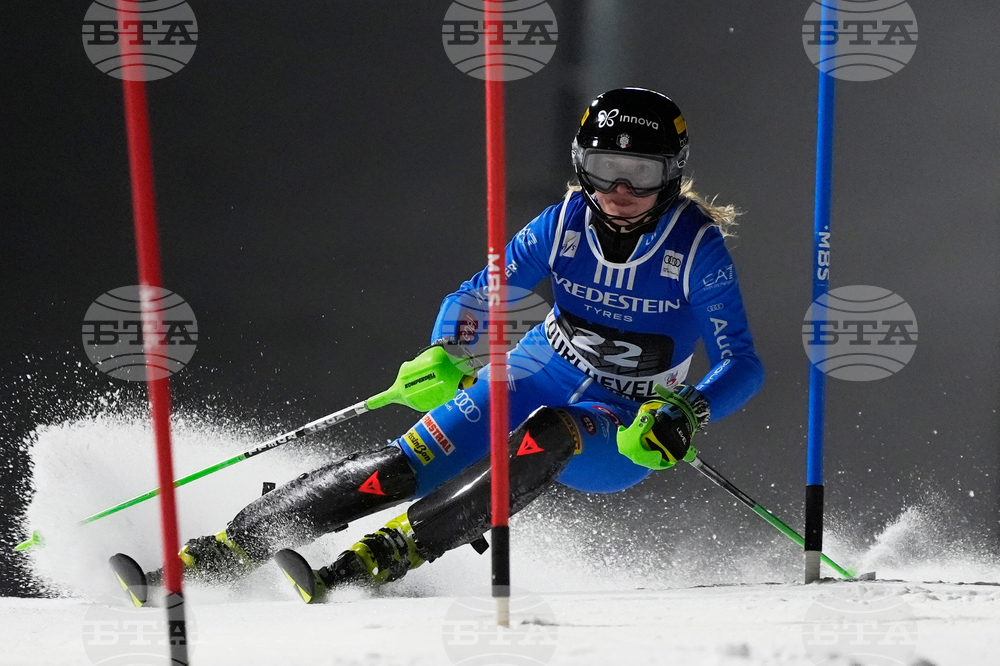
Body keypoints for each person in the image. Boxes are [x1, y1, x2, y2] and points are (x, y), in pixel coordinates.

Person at [111, 87, 764, 604]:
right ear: (580, 165)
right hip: (535, 370)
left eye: (640, 174)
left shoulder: (695, 250)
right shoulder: (564, 223)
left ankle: (385, 555)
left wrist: (685, 413)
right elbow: (478, 296)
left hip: (622, 425)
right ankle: (218, 553)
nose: (619, 193)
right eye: (604, 169)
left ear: (672, 174)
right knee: (403, 462)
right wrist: (447, 350)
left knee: (552, 430)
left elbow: (743, 365)